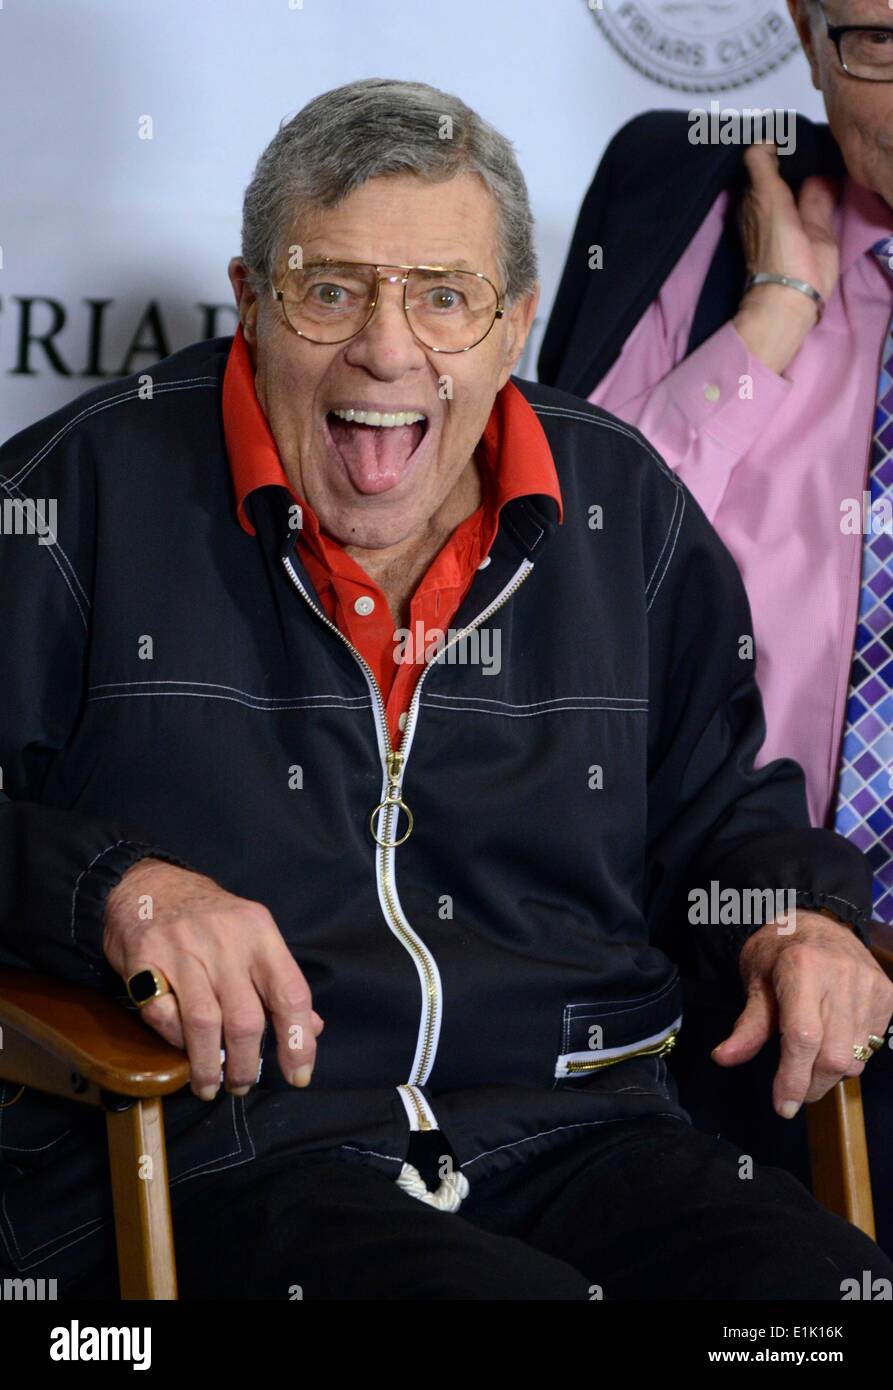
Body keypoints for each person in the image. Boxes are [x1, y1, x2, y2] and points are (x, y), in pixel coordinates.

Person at [1, 78, 891, 1302]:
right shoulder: (73, 500)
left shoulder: (620, 509)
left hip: (587, 1132)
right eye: (329, 289)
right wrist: (118, 890)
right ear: (251, 300)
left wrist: (799, 918)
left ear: (514, 321)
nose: (387, 345)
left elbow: (716, 811)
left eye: (443, 297)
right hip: (232, 1154)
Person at [538, 0, 893, 1246]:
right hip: (695, 959)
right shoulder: (685, 193)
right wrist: (768, 322)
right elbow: (547, 580)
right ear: (803, 32)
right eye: (880, 42)